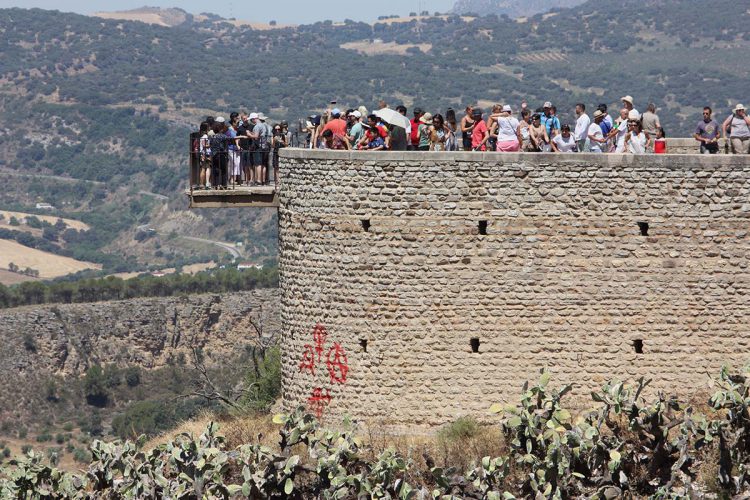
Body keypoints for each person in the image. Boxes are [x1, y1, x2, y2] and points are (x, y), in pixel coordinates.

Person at [250, 113, 273, 185]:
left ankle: (258, 180)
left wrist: (249, 134)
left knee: (258, 163)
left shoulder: (257, 126)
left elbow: (256, 137)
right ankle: (263, 180)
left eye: (251, 119)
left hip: (259, 147)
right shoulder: (268, 127)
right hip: (266, 147)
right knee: (264, 164)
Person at [209, 122, 229, 189]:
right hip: (222, 154)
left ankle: (215, 185)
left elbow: (211, 146)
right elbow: (226, 146)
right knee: (223, 170)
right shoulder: (223, 136)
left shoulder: (212, 137)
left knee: (215, 170)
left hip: (214, 155)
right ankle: (223, 185)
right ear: (221, 129)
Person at [198, 122, 211, 189]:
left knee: (203, 168)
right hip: (205, 154)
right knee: (207, 168)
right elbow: (204, 145)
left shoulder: (202, 136)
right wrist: (211, 145)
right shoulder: (205, 136)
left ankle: (202, 184)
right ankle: (206, 183)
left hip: (202, 154)